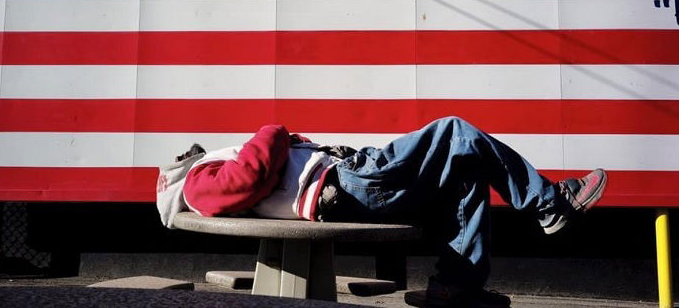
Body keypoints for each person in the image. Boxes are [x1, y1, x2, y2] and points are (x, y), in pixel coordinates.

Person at [156, 116, 607, 308]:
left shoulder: (204, 178)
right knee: (455, 131)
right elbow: (248, 176)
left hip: (346, 183)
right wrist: (274, 130)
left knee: (465, 176)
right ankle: (551, 203)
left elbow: (255, 177)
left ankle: (456, 289)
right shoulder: (196, 181)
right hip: (346, 184)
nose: (197, 150)